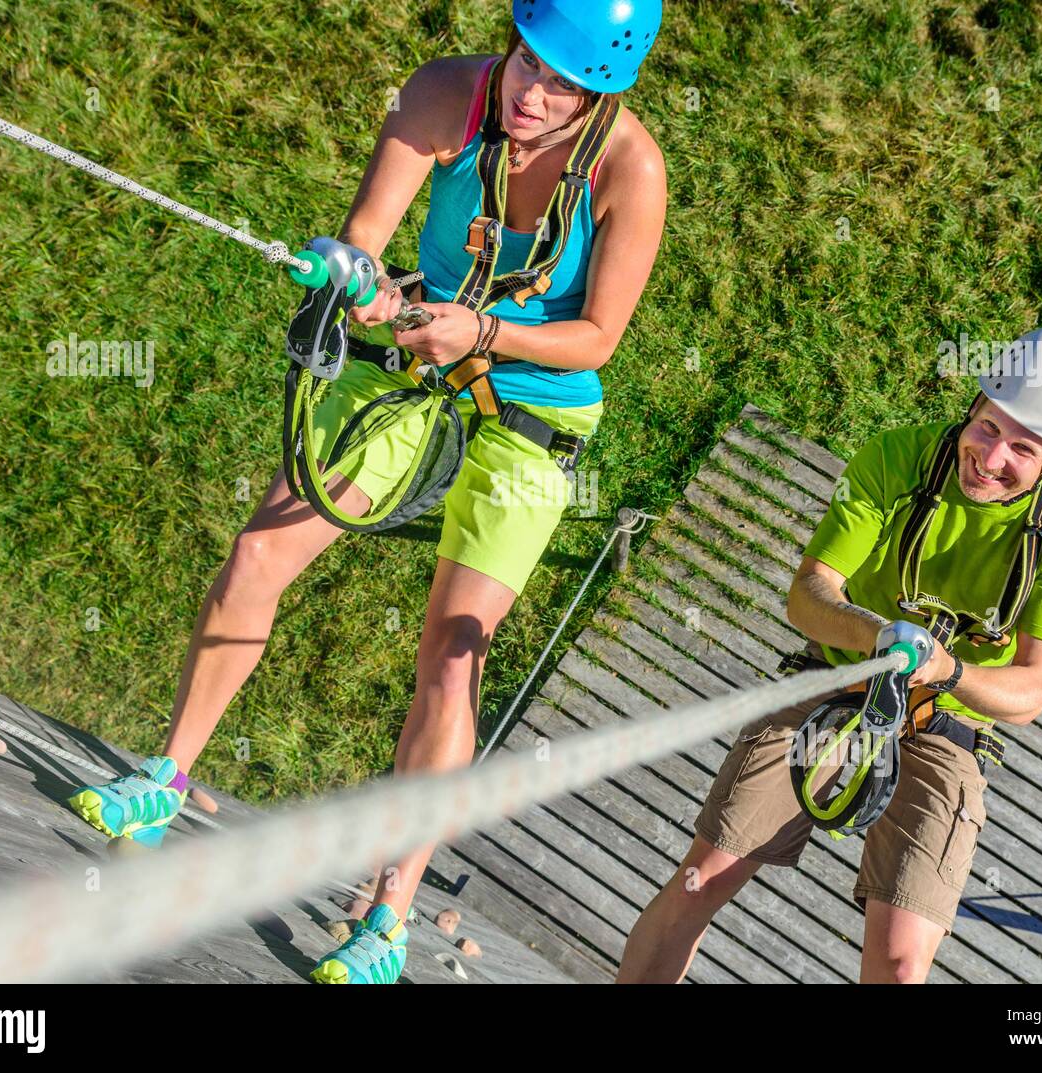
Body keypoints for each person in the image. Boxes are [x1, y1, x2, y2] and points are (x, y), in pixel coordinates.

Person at [67, 0, 667, 985]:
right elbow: (365, 234)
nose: (533, 92)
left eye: (564, 86)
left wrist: (477, 335)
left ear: (602, 94)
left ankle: (386, 916)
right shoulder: (443, 94)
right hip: (414, 355)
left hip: (535, 406)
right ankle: (163, 777)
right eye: (528, 63)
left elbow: (597, 338)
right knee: (260, 551)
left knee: (452, 654)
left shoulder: (628, 170)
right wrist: (358, 281)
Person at [619, 326, 1042, 984]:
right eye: (989, 428)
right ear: (975, 404)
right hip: (837, 678)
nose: (990, 459)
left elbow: (1031, 690)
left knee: (902, 962)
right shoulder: (898, 457)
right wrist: (878, 634)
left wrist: (948, 670)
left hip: (947, 723)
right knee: (697, 880)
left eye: (1022, 448)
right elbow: (809, 593)